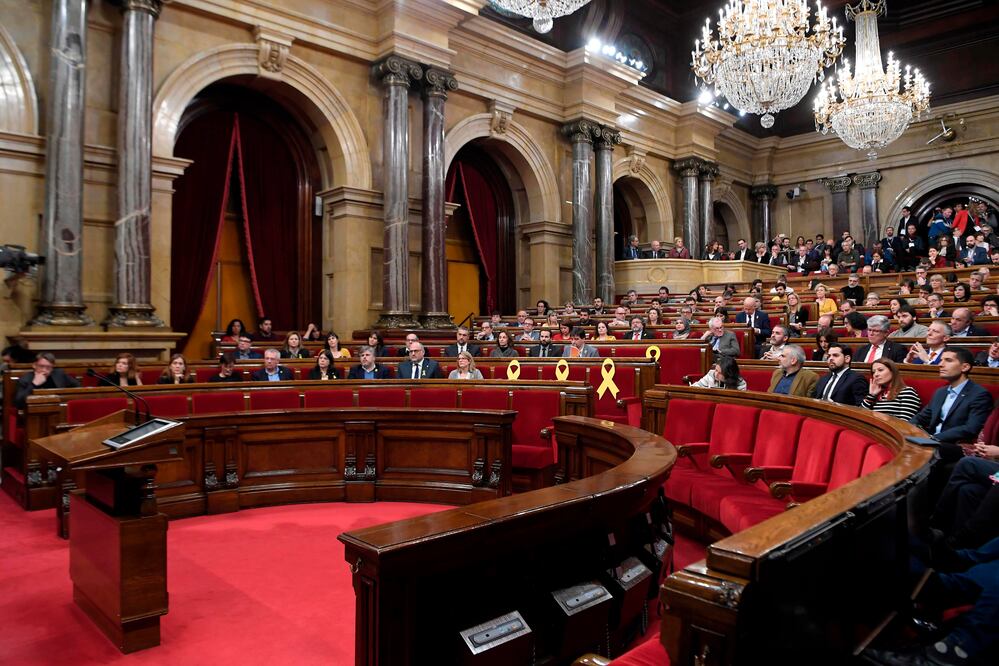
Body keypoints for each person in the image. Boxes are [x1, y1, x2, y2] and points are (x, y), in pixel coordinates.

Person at [910, 347, 994, 446]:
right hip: (928, 441)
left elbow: (970, 428)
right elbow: (921, 417)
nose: (940, 364)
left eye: (948, 360)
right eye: (941, 360)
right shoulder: (940, 392)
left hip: (953, 445)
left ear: (965, 367)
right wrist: (909, 429)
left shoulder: (979, 395)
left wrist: (933, 438)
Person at [14, 352, 80, 408]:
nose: (44, 370)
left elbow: (77, 386)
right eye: (41, 366)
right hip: (35, 412)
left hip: (58, 409)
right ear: (34, 365)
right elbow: (18, 403)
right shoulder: (25, 379)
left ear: (52, 367)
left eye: (48, 367)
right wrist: (34, 384)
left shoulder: (59, 374)